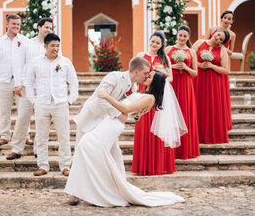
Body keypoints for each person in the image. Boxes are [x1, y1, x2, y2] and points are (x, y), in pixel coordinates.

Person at [65, 70, 186, 207]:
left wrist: (106, 96)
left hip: (114, 124)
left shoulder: (150, 98)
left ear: (156, 82)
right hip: (109, 120)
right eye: (147, 73)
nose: (147, 76)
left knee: (86, 146)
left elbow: (126, 109)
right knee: (91, 150)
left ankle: (100, 191)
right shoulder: (145, 94)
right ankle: (94, 189)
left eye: (150, 76)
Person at [25, 33, 78, 177]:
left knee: (64, 137)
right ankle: (42, 165)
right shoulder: (35, 62)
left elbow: (73, 83)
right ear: (45, 46)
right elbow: (28, 83)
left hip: (60, 103)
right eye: (52, 45)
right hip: (41, 104)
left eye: (57, 45)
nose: (55, 48)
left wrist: (69, 100)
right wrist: (33, 101)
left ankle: (65, 166)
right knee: (41, 137)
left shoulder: (65, 62)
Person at [6, 17, 53, 160]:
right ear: (39, 27)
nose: (48, 30)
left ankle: (38, 150)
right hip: (28, 88)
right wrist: (18, 84)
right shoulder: (27, 44)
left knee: (42, 120)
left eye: (50, 28)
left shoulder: (52, 45)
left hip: (43, 90)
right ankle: (16, 149)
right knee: (22, 118)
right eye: (46, 27)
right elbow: (19, 64)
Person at [132, 31, 177, 176]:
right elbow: (133, 73)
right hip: (142, 94)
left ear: (161, 45)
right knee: (143, 128)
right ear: (149, 40)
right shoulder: (140, 56)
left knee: (158, 130)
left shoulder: (164, 59)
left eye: (157, 43)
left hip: (157, 96)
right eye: (153, 41)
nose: (154, 44)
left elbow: (170, 77)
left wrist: (159, 78)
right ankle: (143, 165)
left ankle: (157, 164)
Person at [0, 14, 33, 146]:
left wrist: (26, 80)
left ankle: (25, 135)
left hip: (21, 82)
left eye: (18, 24)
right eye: (14, 24)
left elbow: (29, 61)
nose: (16, 27)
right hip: (3, 81)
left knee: (24, 110)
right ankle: (4, 135)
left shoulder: (25, 41)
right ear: (7, 24)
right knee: (4, 111)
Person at [166, 25, 200, 159]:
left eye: (185, 36)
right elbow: (162, 65)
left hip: (186, 85)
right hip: (172, 83)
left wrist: (186, 67)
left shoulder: (191, 52)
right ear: (177, 35)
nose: (182, 38)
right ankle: (171, 149)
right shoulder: (169, 49)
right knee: (171, 112)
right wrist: (174, 66)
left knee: (185, 113)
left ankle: (185, 149)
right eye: (180, 35)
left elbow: (195, 73)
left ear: (188, 37)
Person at [192, 30, 230, 144]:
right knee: (197, 104)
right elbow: (190, 59)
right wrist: (200, 65)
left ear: (221, 43)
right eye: (218, 35)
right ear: (215, 32)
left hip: (213, 83)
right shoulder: (199, 43)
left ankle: (210, 135)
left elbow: (225, 70)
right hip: (197, 79)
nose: (217, 38)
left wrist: (212, 66)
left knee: (210, 107)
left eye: (221, 39)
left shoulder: (222, 51)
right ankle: (195, 134)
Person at [205, 10, 236, 131]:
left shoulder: (232, 35)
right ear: (221, 19)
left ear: (232, 21)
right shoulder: (212, 30)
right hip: (206, 61)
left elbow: (231, 52)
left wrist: (222, 47)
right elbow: (205, 43)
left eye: (229, 19)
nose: (227, 20)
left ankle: (221, 123)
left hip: (220, 63)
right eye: (225, 18)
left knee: (219, 97)